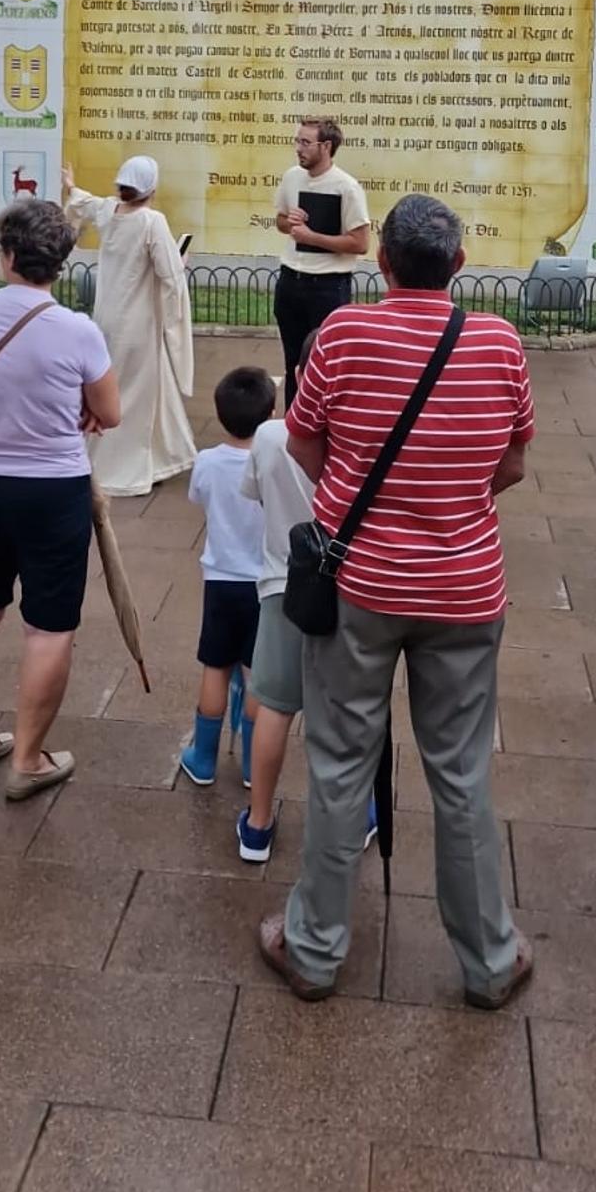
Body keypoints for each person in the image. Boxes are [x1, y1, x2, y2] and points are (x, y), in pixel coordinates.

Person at [258, 192, 534, 1006]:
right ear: (458, 265)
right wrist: (449, 504)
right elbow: (512, 464)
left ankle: (314, 949)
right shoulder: (499, 341)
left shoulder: (344, 334)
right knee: (462, 771)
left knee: (340, 764)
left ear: (381, 264)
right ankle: (490, 960)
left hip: (357, 586)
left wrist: (357, 495)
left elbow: (302, 440)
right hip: (466, 589)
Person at [0, 198, 120, 799]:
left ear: (9, 254)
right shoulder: (78, 330)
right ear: (60, 262)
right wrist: (82, 408)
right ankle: (27, 759)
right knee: (48, 627)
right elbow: (110, 411)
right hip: (51, 490)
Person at [237, 327, 380, 865]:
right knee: (348, 712)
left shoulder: (269, 437)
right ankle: (353, 817)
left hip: (283, 586)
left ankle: (257, 825)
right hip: (351, 588)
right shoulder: (367, 436)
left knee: (275, 708)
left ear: (298, 375)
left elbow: (254, 495)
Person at [61, 154, 196, 497]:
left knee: (123, 389)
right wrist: (180, 263)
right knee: (134, 399)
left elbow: (83, 202)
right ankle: (123, 471)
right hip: (139, 325)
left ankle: (159, 460)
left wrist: (71, 186)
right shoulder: (152, 221)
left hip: (106, 318)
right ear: (152, 188)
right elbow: (169, 274)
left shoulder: (109, 210)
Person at [178, 367, 271, 790]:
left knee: (215, 667)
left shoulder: (208, 462)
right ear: (270, 413)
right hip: (263, 584)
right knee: (256, 675)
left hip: (220, 580)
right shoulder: (272, 460)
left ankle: (203, 758)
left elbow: (197, 497)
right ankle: (253, 764)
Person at [273, 117, 370, 409]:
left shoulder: (347, 187)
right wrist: (289, 223)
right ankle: (292, 422)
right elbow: (280, 221)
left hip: (327, 286)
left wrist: (312, 237)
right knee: (292, 362)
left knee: (324, 363)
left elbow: (360, 243)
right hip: (291, 280)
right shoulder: (292, 177)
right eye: (297, 141)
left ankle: (323, 421)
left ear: (326, 147)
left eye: (306, 142)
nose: (298, 148)